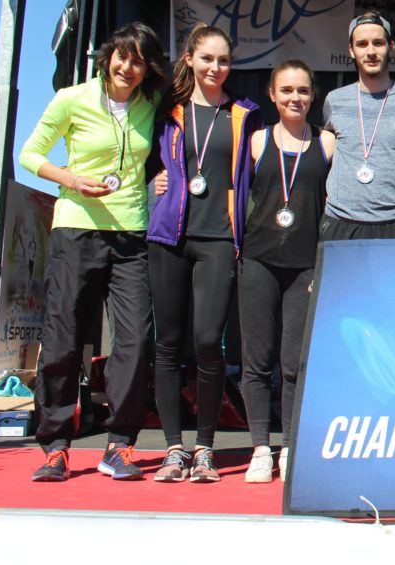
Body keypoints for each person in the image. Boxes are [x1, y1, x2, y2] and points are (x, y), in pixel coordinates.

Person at [19, 23, 167, 482]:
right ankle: (55, 446)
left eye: (138, 60)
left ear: (147, 68)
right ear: (107, 57)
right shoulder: (72, 98)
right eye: (122, 56)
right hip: (76, 228)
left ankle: (119, 445)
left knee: (135, 341)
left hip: (131, 235)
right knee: (63, 338)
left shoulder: (151, 104)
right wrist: (71, 180)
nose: (128, 67)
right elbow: (29, 154)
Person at [147, 23, 261, 484]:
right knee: (168, 344)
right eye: (208, 58)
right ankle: (173, 449)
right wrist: (152, 178)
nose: (216, 67)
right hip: (170, 237)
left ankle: (205, 449)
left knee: (209, 341)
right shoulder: (165, 110)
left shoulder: (244, 114)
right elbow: (140, 160)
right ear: (190, 58)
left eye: (224, 60)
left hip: (218, 238)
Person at [240, 60, 335, 482]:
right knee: (256, 361)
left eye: (302, 90)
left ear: (313, 95)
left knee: (295, 362)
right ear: (272, 95)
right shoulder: (257, 141)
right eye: (287, 90)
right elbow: (230, 189)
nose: (295, 97)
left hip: (304, 265)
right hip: (258, 260)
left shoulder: (327, 143)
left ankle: (290, 446)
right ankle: (261, 447)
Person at [321, 12, 395, 241]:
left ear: (391, 47)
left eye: (378, 43)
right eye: (362, 44)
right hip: (339, 221)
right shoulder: (335, 100)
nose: (370, 51)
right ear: (351, 50)